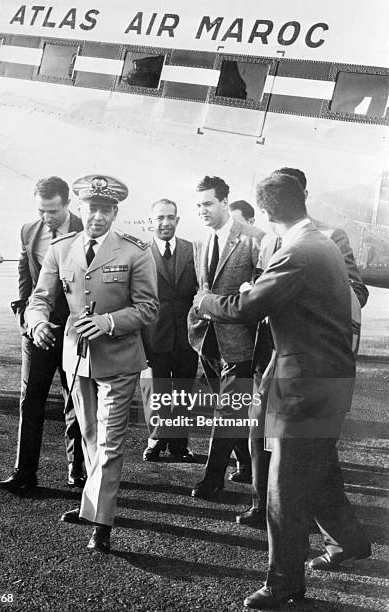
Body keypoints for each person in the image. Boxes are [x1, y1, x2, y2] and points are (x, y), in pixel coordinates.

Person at [193, 172, 371, 609]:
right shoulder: (319, 241)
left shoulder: (297, 251)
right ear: (301, 201)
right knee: (318, 467)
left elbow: (248, 308)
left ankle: (284, 581)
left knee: (284, 488)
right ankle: (348, 541)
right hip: (316, 376)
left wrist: (206, 300)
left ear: (267, 211)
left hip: (305, 384)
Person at [25, 174, 158, 553]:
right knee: (89, 437)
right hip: (76, 359)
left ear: (115, 212)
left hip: (119, 361)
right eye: (92, 208)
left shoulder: (135, 250)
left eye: (106, 209)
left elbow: (148, 308)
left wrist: (107, 322)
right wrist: (36, 323)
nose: (97, 216)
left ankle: (101, 522)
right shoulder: (61, 248)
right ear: (79, 209)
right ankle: (93, 504)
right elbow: (40, 298)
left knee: (110, 443)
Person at [238, 167, 369, 529]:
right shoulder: (269, 239)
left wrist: (296, 302)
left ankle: (313, 522)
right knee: (259, 429)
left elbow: (356, 291)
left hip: (306, 352)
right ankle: (260, 501)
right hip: (272, 350)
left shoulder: (330, 236)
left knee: (308, 449)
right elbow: (267, 284)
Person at [0, 176, 85, 492]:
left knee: (75, 398)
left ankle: (78, 469)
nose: (46, 218)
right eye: (41, 211)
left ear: (68, 204)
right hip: (37, 330)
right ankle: (24, 473)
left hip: (76, 331)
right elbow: (25, 274)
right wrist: (27, 318)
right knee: (30, 400)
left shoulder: (88, 228)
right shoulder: (28, 231)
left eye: (53, 212)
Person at [188, 176, 260, 500]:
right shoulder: (200, 242)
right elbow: (201, 289)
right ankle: (246, 465)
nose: (202, 210)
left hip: (240, 341)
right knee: (232, 409)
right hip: (207, 338)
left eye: (207, 203)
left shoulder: (253, 238)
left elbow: (260, 290)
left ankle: (212, 479)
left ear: (224, 202)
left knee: (228, 410)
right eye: (199, 204)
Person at [141, 199, 198, 462]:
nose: (165, 222)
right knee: (158, 390)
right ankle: (156, 440)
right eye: (160, 218)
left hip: (188, 335)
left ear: (177, 220)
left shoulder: (192, 250)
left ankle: (178, 445)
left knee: (184, 391)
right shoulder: (141, 252)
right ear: (151, 221)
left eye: (170, 217)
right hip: (154, 334)